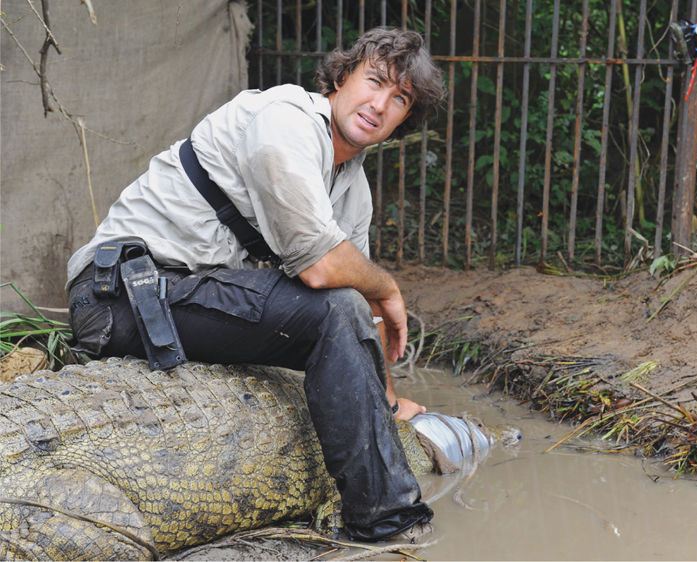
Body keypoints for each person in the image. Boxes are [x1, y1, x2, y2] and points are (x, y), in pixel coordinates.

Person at [65, 27, 446, 541]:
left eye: (399, 98)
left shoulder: (353, 188)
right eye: (374, 80)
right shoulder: (283, 120)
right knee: (333, 308)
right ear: (340, 77)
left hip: (190, 298)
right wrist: (389, 287)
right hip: (119, 297)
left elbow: (359, 301)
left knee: (344, 308)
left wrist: (388, 400)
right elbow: (324, 272)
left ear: (405, 119)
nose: (379, 103)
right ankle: (385, 523)